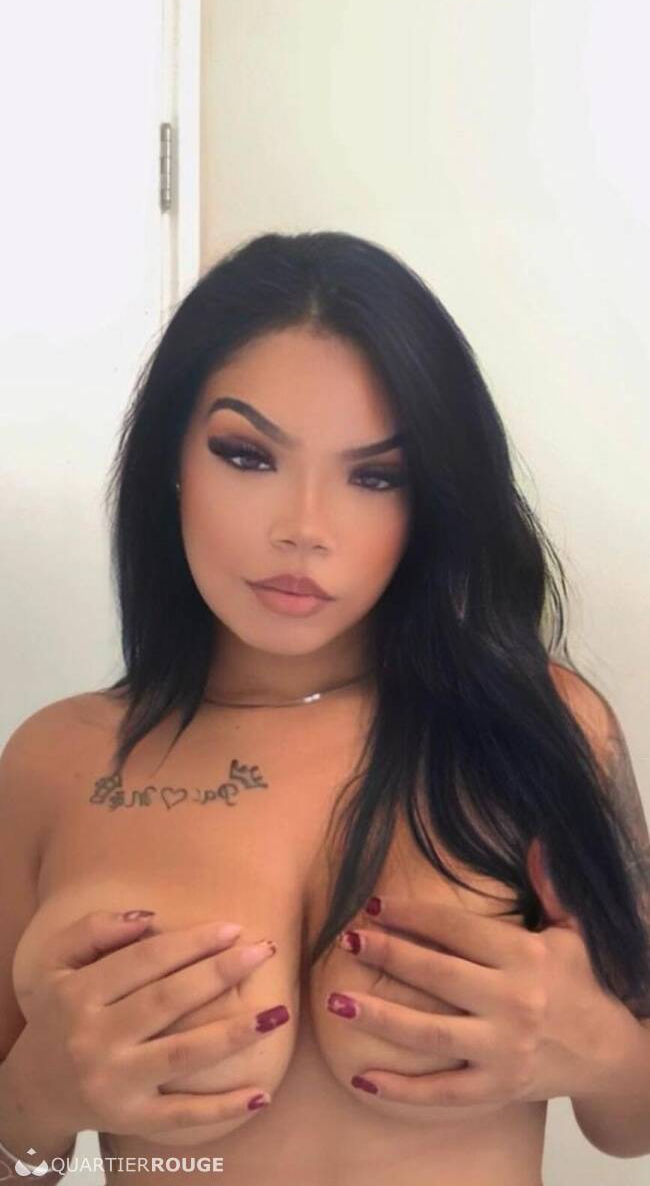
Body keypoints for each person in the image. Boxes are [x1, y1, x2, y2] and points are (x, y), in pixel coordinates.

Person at [1, 231, 649, 1186]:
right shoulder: (55, 763)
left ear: (428, 500)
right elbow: (18, 1157)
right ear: (172, 459)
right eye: (246, 455)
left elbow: (632, 1123)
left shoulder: (540, 726)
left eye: (374, 475)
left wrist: (601, 1051)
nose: (303, 528)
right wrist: (34, 1100)